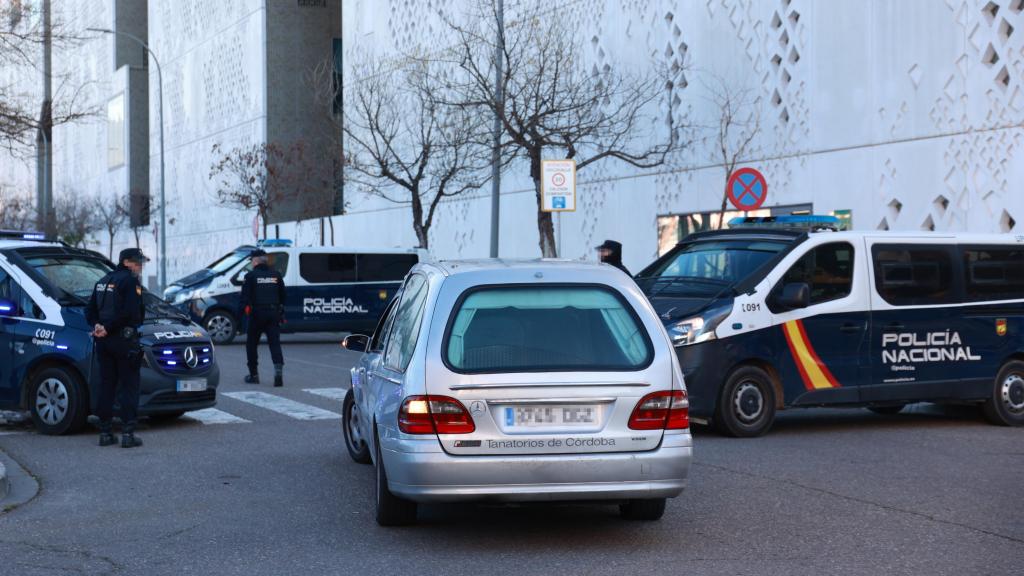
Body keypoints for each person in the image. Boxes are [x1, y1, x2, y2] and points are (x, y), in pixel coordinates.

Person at [87, 248, 148, 448]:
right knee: (129, 387)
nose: (140, 266)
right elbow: (130, 312)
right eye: (138, 262)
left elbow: (90, 311)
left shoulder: (103, 281)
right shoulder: (130, 281)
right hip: (123, 340)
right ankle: (128, 434)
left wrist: (98, 326)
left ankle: (105, 433)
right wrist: (107, 327)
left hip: (104, 342)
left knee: (107, 385)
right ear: (127, 262)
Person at [239, 249, 285, 387]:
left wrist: (240, 316)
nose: (252, 263)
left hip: (257, 314)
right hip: (273, 313)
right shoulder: (276, 275)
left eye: (252, 260)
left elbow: (244, 299)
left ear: (256, 261)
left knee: (252, 344)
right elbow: (283, 295)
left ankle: (254, 375)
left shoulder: (250, 276)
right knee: (274, 343)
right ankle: (278, 373)